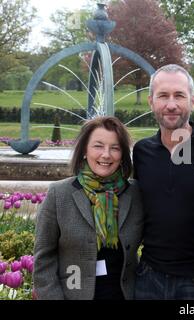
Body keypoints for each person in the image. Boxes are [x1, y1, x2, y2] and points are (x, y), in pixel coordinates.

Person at [133, 64, 194, 300]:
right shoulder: (142, 151)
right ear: (150, 101)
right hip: (148, 278)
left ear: (192, 101)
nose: (171, 104)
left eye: (179, 96)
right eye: (163, 96)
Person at [33, 116, 144, 300]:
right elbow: (43, 259)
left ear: (123, 154)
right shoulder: (59, 194)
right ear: (85, 150)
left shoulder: (135, 194)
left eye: (114, 148)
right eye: (98, 146)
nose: (106, 154)